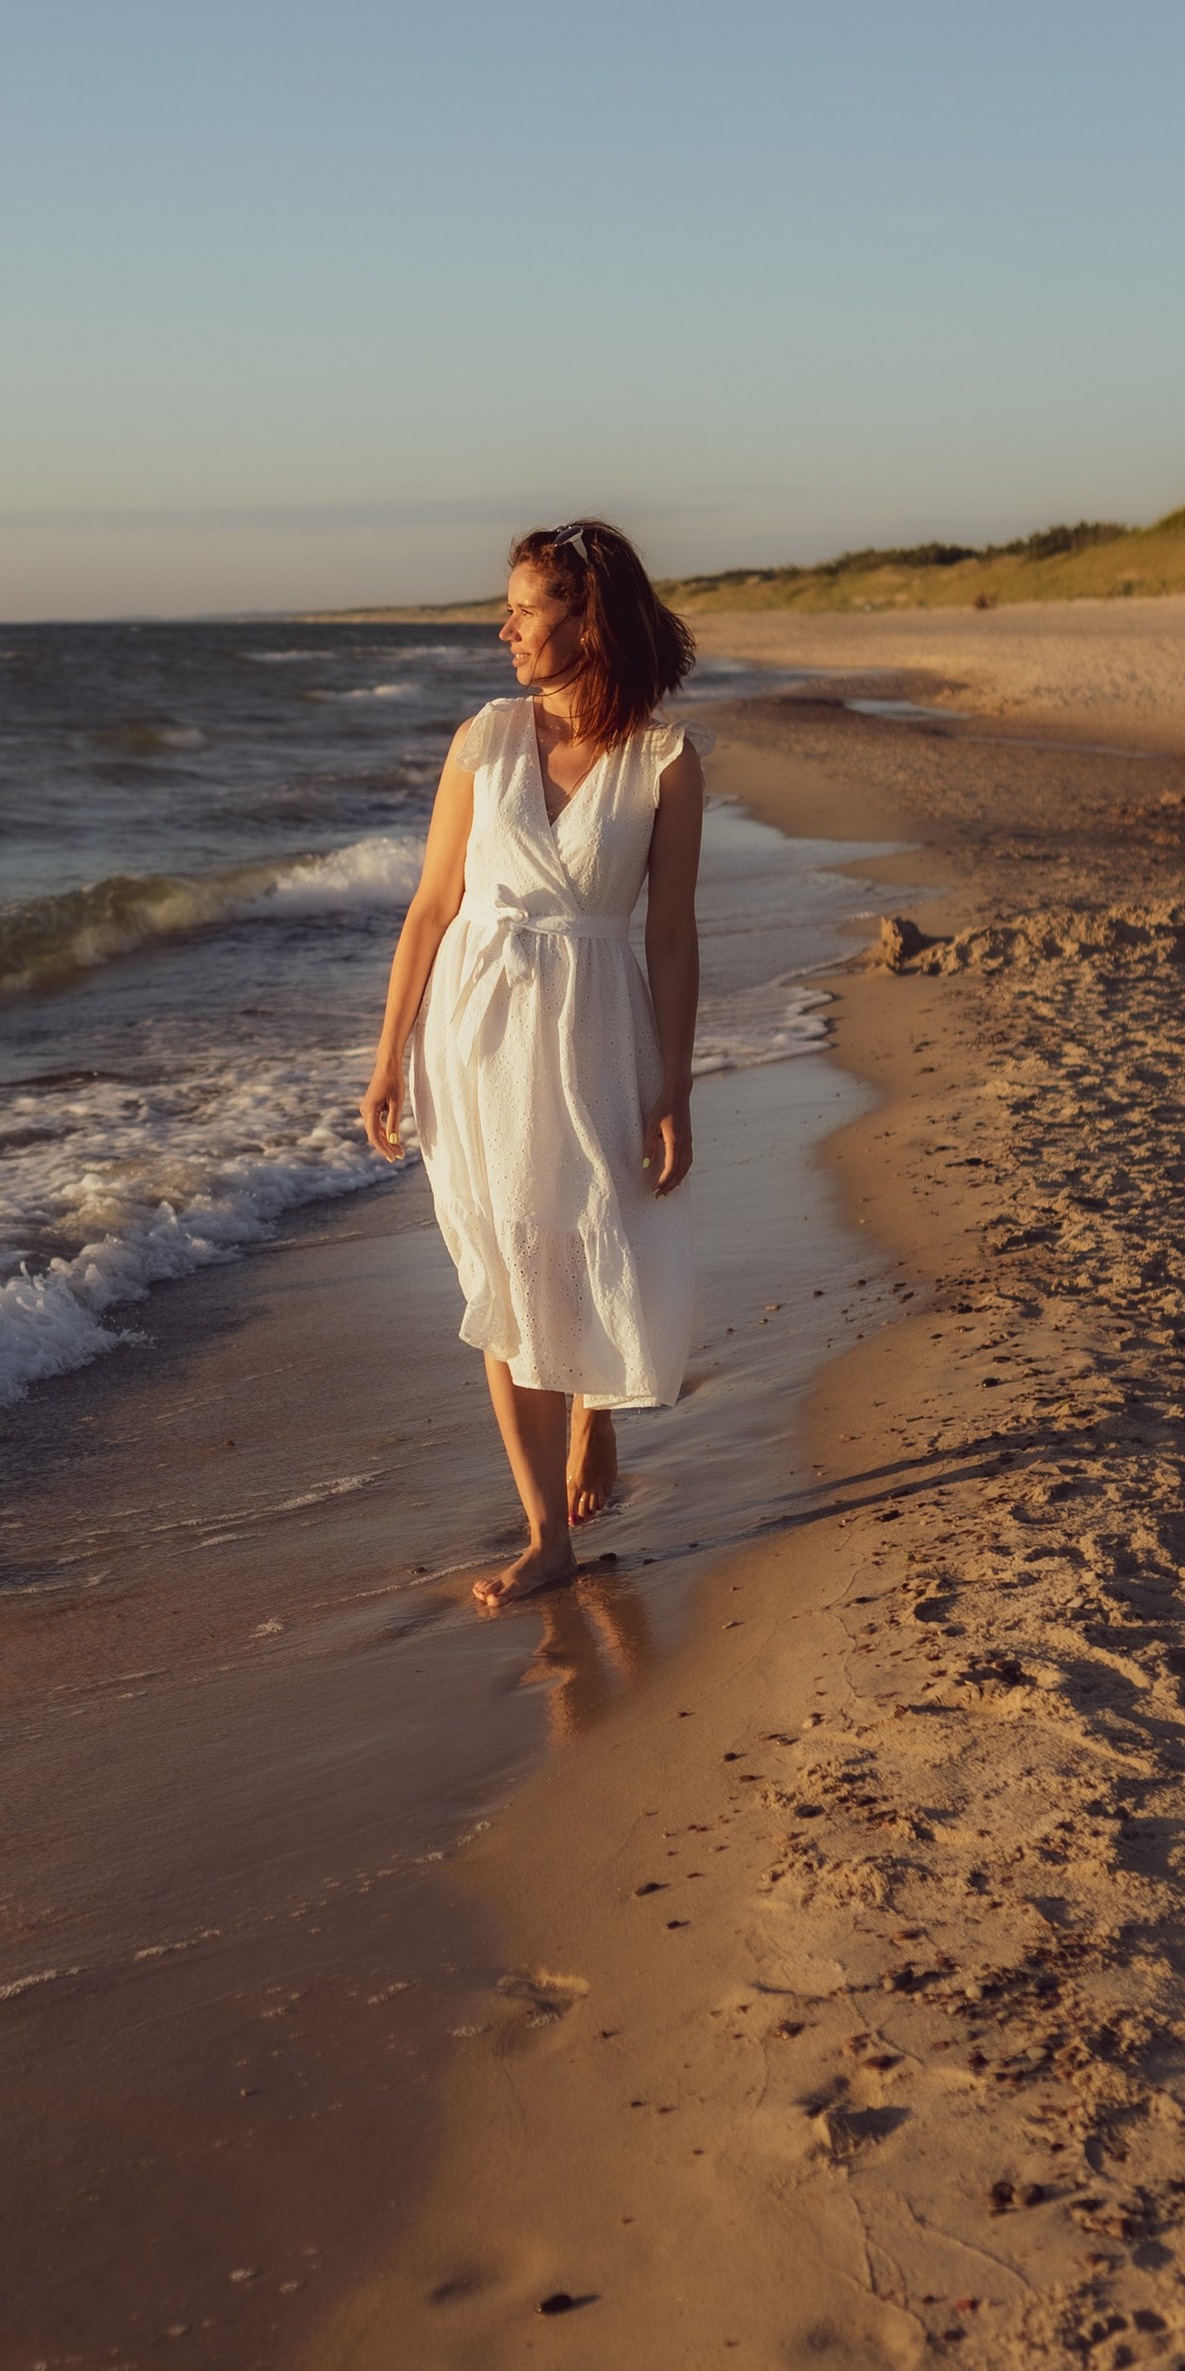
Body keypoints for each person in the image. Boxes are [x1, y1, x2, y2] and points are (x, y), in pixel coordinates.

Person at [360, 520, 703, 1611]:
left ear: (584, 618)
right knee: (506, 1262)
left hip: (598, 1021)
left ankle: (593, 1410)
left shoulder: (664, 760)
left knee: (592, 1228)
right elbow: (430, 908)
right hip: (475, 1033)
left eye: (525, 608)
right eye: (506, 607)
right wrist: (386, 1059)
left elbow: (672, 934)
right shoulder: (484, 737)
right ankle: (544, 1534)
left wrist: (674, 1085)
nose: (502, 627)